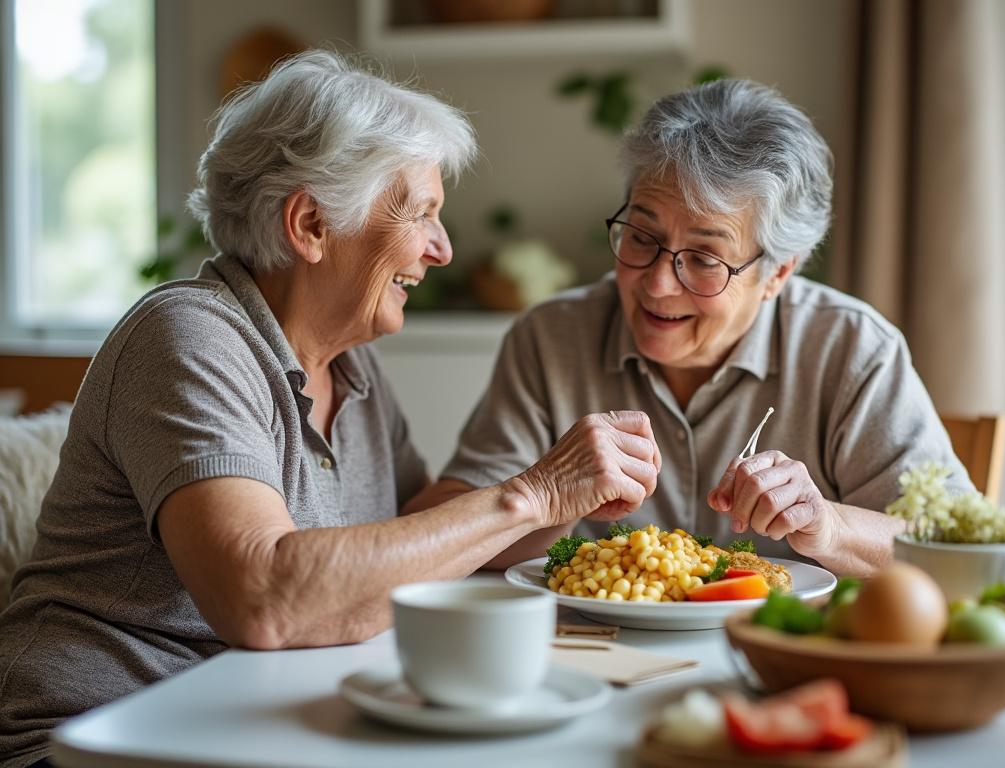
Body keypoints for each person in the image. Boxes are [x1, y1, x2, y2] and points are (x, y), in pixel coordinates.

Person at [0, 51, 661, 768]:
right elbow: (264, 597)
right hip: (98, 739)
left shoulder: (351, 365)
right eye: (423, 215)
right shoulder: (187, 339)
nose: (441, 249)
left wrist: (566, 505)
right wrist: (529, 495)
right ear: (311, 223)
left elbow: (409, 540)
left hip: (254, 723)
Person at [408, 78, 971, 578]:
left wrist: (827, 526)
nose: (656, 284)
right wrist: (551, 495)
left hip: (786, 663)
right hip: (596, 662)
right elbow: (439, 533)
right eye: (641, 237)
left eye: (705, 258)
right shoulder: (550, 338)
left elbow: (956, 554)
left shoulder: (852, 350)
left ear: (777, 272)